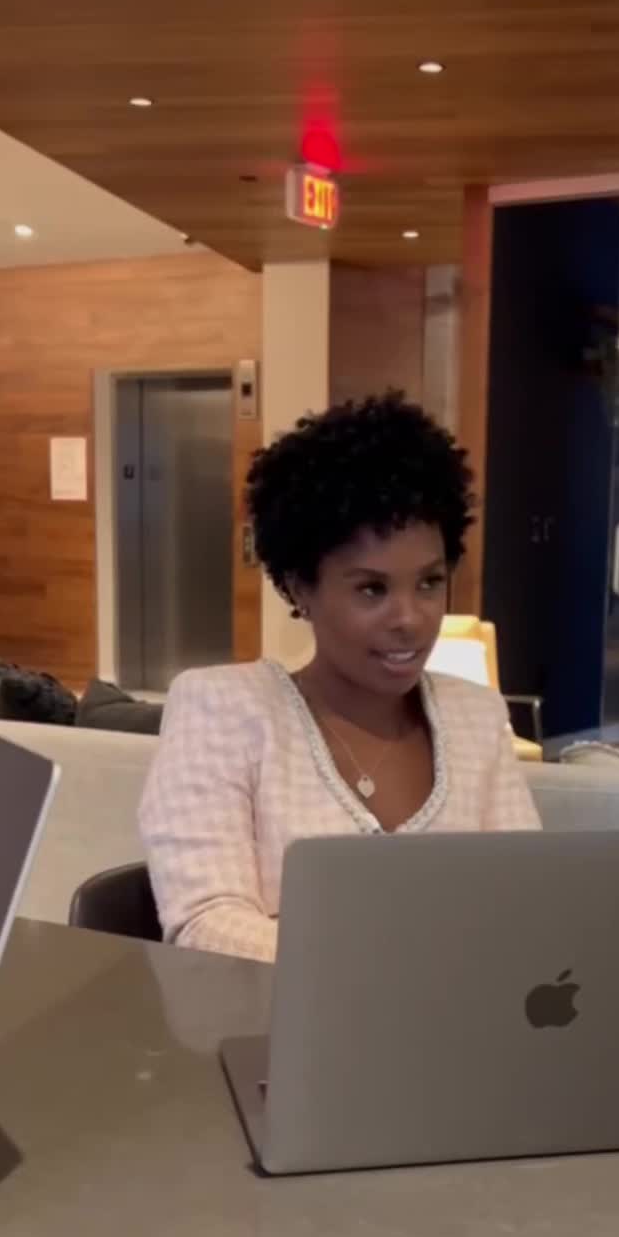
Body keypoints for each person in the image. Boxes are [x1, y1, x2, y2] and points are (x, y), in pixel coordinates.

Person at [140, 392, 541, 962]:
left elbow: (525, 904)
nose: (410, 619)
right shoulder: (223, 710)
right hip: (280, 1017)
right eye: (372, 589)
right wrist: (394, 969)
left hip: (457, 1016)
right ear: (299, 587)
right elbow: (206, 924)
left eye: (429, 582)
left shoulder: (475, 717)